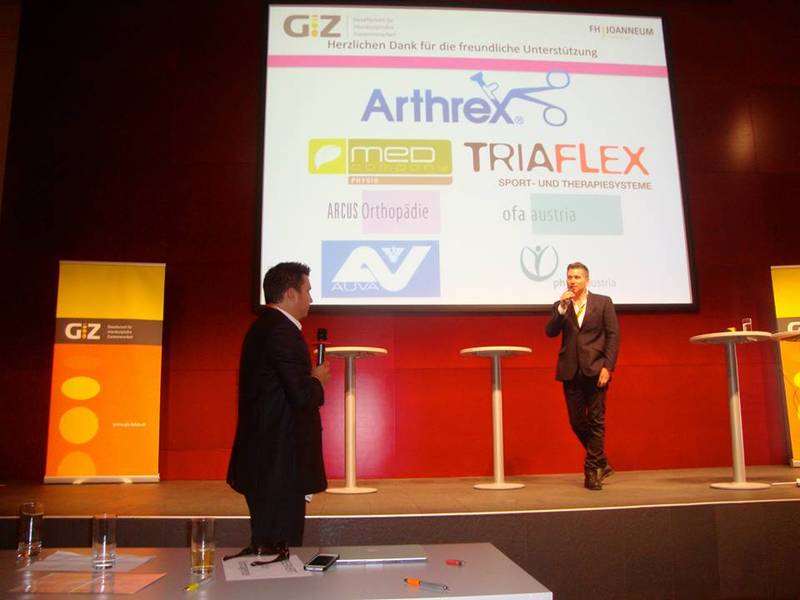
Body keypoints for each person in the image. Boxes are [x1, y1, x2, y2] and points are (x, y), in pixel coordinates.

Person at [226, 262, 331, 558]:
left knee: (269, 547)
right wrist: (317, 380)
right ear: (290, 293)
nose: (311, 299)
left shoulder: (265, 327)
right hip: (278, 466)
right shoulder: (282, 332)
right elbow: (301, 396)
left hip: (267, 463)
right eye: (307, 291)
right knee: (279, 553)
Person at [545, 262, 619, 490]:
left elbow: (613, 335)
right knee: (577, 422)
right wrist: (561, 309)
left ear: (587, 280)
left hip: (596, 369)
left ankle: (592, 471)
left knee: (596, 421)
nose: (572, 281)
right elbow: (550, 332)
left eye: (577, 277)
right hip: (570, 370)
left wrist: (608, 366)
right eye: (569, 277)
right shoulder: (561, 305)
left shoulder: (603, 302)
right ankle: (601, 461)